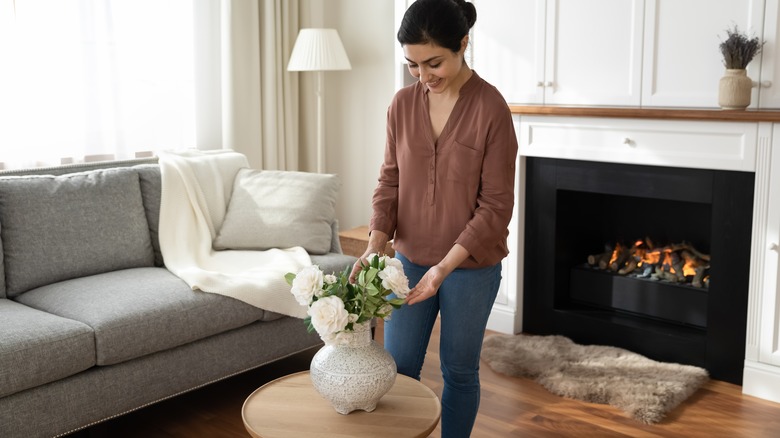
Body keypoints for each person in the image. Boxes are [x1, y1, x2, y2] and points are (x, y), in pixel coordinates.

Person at [350, 0, 518, 436]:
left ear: (463, 44)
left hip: (470, 268)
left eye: (433, 63)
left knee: (459, 372)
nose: (423, 77)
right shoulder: (401, 106)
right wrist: (374, 246)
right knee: (400, 370)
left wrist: (444, 267)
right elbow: (389, 182)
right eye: (412, 65)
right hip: (408, 262)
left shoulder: (491, 109)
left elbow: (496, 207)